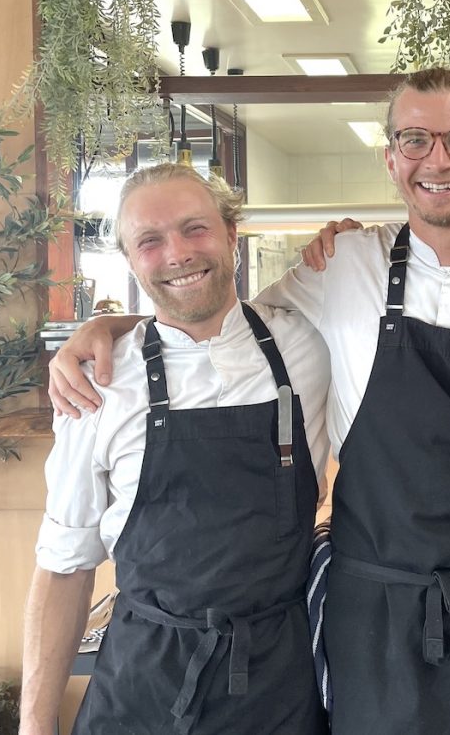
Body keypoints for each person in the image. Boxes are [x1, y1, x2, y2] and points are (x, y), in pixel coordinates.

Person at [46, 69, 450, 735]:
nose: (437, 159)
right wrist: (114, 329)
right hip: (371, 612)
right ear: (390, 157)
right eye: (414, 139)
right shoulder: (345, 266)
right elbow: (214, 321)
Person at [20, 164, 332, 735]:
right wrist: (36, 727)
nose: (178, 254)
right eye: (150, 241)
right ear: (130, 259)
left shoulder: (308, 343)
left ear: (232, 234)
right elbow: (65, 567)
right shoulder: (99, 384)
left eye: (195, 229)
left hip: (280, 685)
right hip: (143, 685)